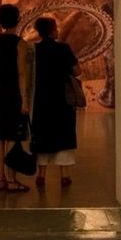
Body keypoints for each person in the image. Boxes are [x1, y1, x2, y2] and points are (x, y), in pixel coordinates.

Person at [0, 4, 35, 192]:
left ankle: (0, 179)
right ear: (18, 20)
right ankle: (11, 180)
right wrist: (25, 100)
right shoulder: (20, 44)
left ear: (0, 21)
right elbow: (22, 73)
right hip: (14, 92)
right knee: (12, 137)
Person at [29, 16, 81, 188]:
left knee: (42, 135)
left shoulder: (34, 50)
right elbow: (76, 71)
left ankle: (41, 174)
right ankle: (65, 175)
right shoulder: (63, 48)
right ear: (52, 31)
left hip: (41, 99)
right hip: (62, 99)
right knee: (63, 135)